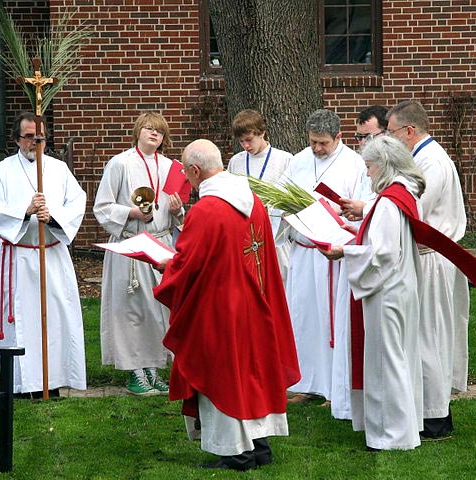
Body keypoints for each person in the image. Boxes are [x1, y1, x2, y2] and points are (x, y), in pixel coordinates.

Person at [152, 139, 300, 471]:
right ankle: (259, 445)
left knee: (224, 377)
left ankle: (237, 452)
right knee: (252, 375)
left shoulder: (207, 210)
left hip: (219, 310)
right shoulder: (254, 201)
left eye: (188, 176)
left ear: (194, 170)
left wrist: (165, 267)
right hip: (254, 303)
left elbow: (188, 265)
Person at [320, 135, 425, 450]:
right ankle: (399, 428)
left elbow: (381, 254)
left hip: (387, 292)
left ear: (384, 165)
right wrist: (357, 233)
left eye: (369, 166)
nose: (367, 174)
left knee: (385, 361)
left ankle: (391, 436)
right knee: (397, 359)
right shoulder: (401, 195)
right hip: (400, 287)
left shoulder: (390, 202)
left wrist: (344, 252)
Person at [0, 111, 87, 397]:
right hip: (19, 256)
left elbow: (77, 202)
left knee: (56, 317)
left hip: (51, 255)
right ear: (17, 139)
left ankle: (54, 380)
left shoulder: (58, 169)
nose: (35, 143)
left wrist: (52, 217)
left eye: (41, 138)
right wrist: (24, 213)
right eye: (29, 137)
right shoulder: (2, 171)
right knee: (23, 320)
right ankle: (22, 385)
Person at [386, 100, 469, 439]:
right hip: (425, 256)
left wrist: (374, 209)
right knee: (421, 333)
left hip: (433, 257)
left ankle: (436, 416)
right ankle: (426, 408)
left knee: (430, 334)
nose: (389, 141)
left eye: (391, 134)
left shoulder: (431, 160)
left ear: (409, 130)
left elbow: (416, 209)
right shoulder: (420, 157)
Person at [278, 109, 372, 405]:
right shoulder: (299, 160)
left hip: (334, 255)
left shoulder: (355, 164)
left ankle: (335, 387)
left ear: (339, 137)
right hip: (304, 252)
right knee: (304, 317)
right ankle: (307, 384)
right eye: (313, 142)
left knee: (333, 321)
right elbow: (282, 196)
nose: (317, 149)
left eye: (323, 143)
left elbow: (361, 207)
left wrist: (338, 215)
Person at [93, 112, 184, 396]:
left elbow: (178, 213)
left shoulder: (171, 167)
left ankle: (153, 369)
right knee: (131, 309)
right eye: (148, 129)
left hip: (160, 244)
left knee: (157, 310)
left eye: (158, 131)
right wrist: (132, 213)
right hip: (131, 245)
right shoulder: (120, 163)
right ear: (137, 132)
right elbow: (103, 206)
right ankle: (135, 372)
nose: (153, 134)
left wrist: (177, 209)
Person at [227, 109, 293, 283]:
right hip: (245, 239)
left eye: (249, 140)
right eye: (241, 142)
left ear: (262, 132)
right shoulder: (236, 161)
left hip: (275, 239)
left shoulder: (284, 160)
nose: (246, 146)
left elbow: (290, 202)